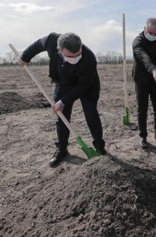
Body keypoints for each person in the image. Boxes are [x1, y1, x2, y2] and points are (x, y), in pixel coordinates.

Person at [18, 32, 107, 167]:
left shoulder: (89, 58)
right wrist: (25, 57)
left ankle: (100, 147)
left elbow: (83, 86)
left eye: (78, 54)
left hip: (87, 86)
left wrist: (63, 101)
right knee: (61, 116)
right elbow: (37, 45)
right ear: (59, 50)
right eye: (70, 56)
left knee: (91, 114)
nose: (75, 57)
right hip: (64, 81)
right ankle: (62, 149)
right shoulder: (51, 40)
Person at [132, 17, 156, 149]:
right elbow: (144, 58)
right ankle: (143, 136)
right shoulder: (138, 42)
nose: (153, 36)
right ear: (145, 29)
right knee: (142, 110)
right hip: (142, 79)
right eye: (150, 32)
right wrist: (154, 70)